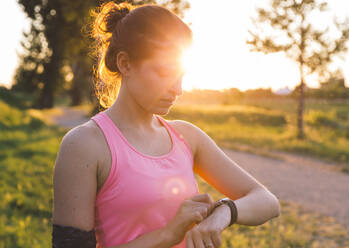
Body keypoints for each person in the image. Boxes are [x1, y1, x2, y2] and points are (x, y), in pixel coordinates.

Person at [52, 2, 280, 248]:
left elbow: (267, 201)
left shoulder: (187, 137)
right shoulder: (84, 145)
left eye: (182, 75)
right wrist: (166, 235)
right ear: (125, 63)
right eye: (164, 73)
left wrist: (225, 212)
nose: (178, 89)